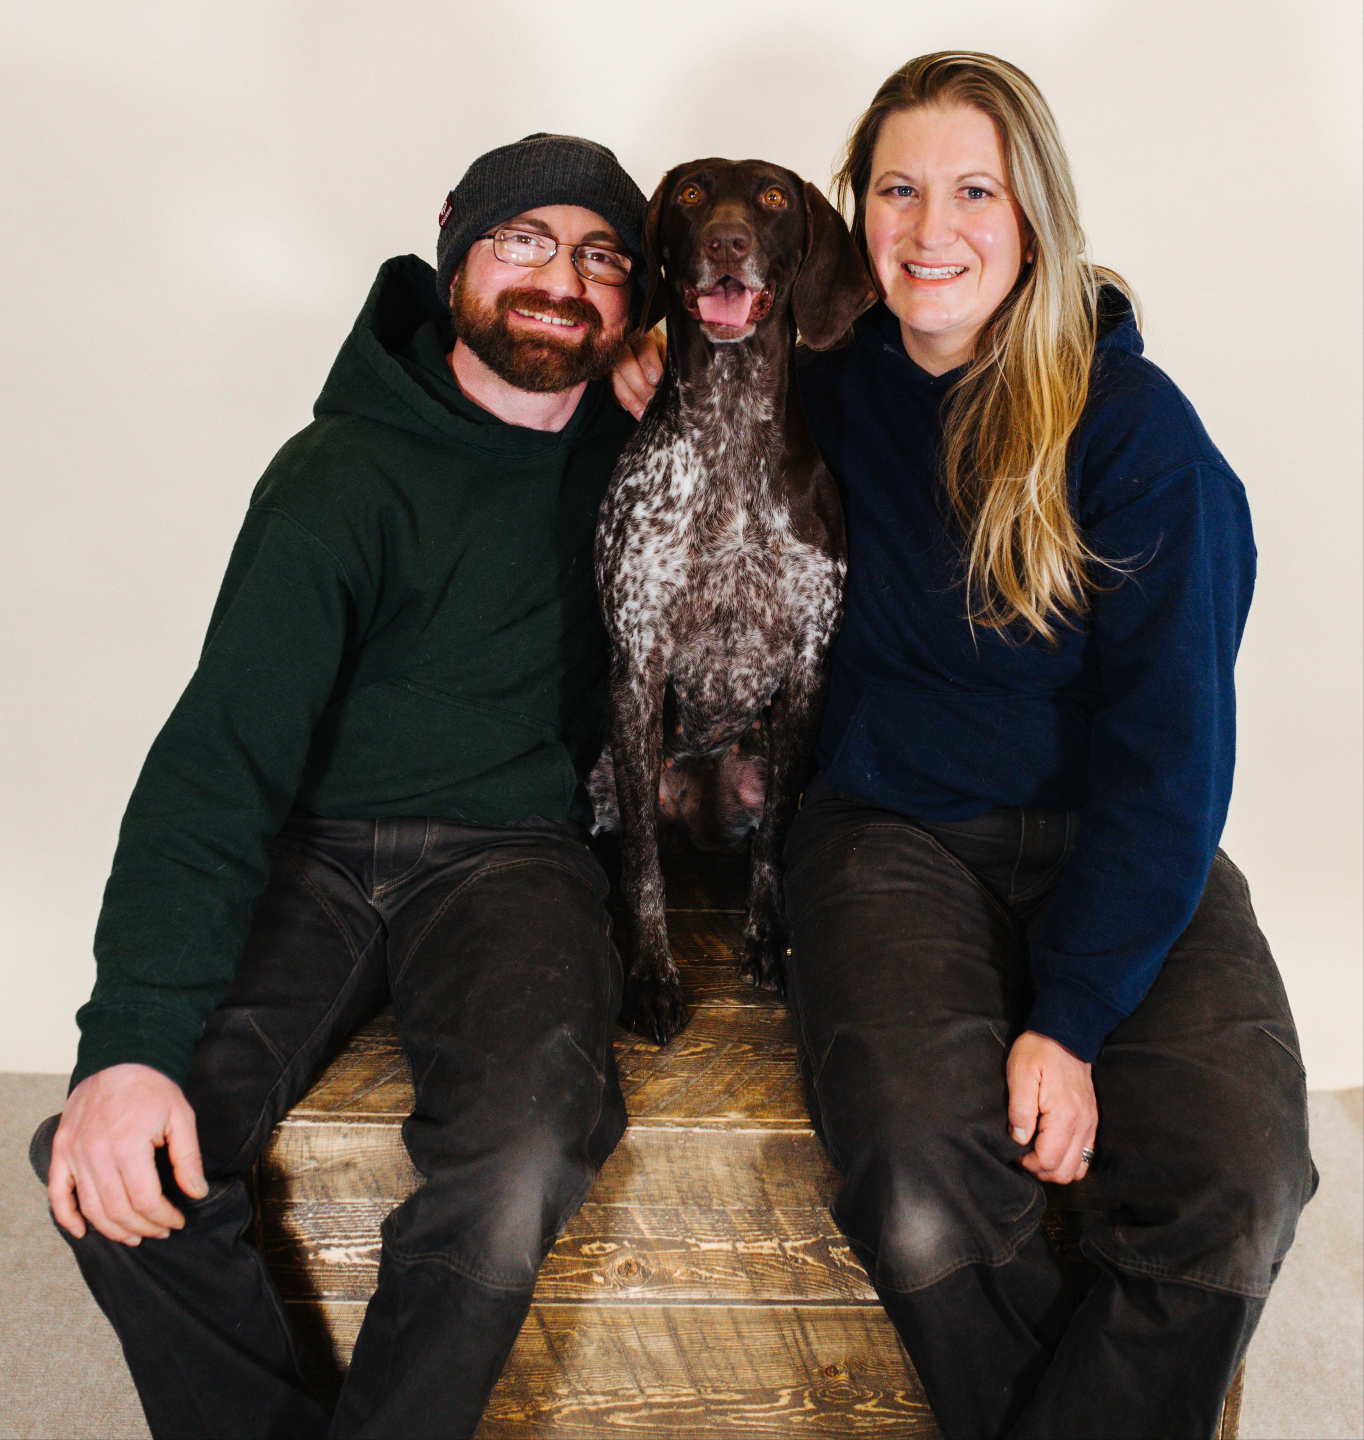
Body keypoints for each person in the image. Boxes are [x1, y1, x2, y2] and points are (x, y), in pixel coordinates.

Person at [615, 52, 1316, 1440]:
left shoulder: (1141, 440)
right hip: (889, 830)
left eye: (974, 192)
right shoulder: (827, 374)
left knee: (1238, 1184)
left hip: (1117, 836)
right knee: (919, 1174)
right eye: (898, 190)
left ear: (1035, 216)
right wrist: (656, 346)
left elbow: (1173, 757)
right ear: (853, 218)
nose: (932, 228)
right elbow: (708, 353)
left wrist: (1072, 1017)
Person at [32, 132, 647, 1440]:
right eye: (524, 241)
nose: (562, 280)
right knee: (116, 1154)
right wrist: (128, 1043)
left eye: (601, 258)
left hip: (512, 856)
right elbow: (220, 757)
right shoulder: (339, 476)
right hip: (309, 849)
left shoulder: (645, 463)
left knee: (525, 1155)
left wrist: (686, 369)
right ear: (456, 253)